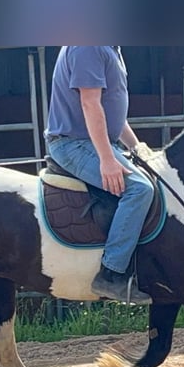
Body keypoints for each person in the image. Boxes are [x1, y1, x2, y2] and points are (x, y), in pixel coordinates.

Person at [45, 46, 154, 304]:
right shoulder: (89, 45)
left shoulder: (110, 47)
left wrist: (136, 146)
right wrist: (107, 160)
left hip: (96, 141)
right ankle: (111, 274)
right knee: (140, 189)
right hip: (75, 144)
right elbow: (90, 103)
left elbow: (109, 108)